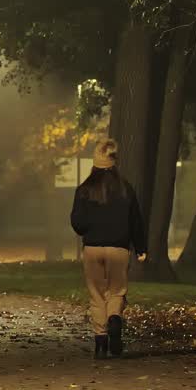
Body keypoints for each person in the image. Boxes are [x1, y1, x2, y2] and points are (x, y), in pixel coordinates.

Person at [70, 139, 147, 359]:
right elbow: (136, 221)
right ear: (114, 164)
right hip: (119, 248)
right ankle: (114, 318)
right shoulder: (126, 189)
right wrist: (141, 247)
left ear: (95, 164)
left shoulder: (84, 190)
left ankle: (100, 340)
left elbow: (77, 223)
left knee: (96, 294)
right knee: (116, 291)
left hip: (93, 249)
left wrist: (90, 227)